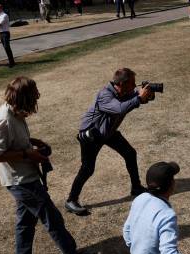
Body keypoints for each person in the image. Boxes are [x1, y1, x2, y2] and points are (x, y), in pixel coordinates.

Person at [0, 77, 99, 254]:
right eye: (33, 97)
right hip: (21, 181)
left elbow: (14, 139)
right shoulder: (4, 119)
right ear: (23, 98)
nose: (36, 100)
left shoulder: (15, 112)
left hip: (24, 177)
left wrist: (33, 142)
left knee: (25, 221)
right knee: (53, 219)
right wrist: (26, 153)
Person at [65, 68, 153, 215]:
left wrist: (146, 96)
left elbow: (132, 100)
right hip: (92, 135)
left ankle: (136, 187)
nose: (135, 85)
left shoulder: (124, 92)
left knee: (130, 153)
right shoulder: (105, 95)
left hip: (108, 132)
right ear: (123, 83)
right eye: (132, 83)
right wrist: (138, 98)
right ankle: (71, 200)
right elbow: (119, 108)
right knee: (87, 169)